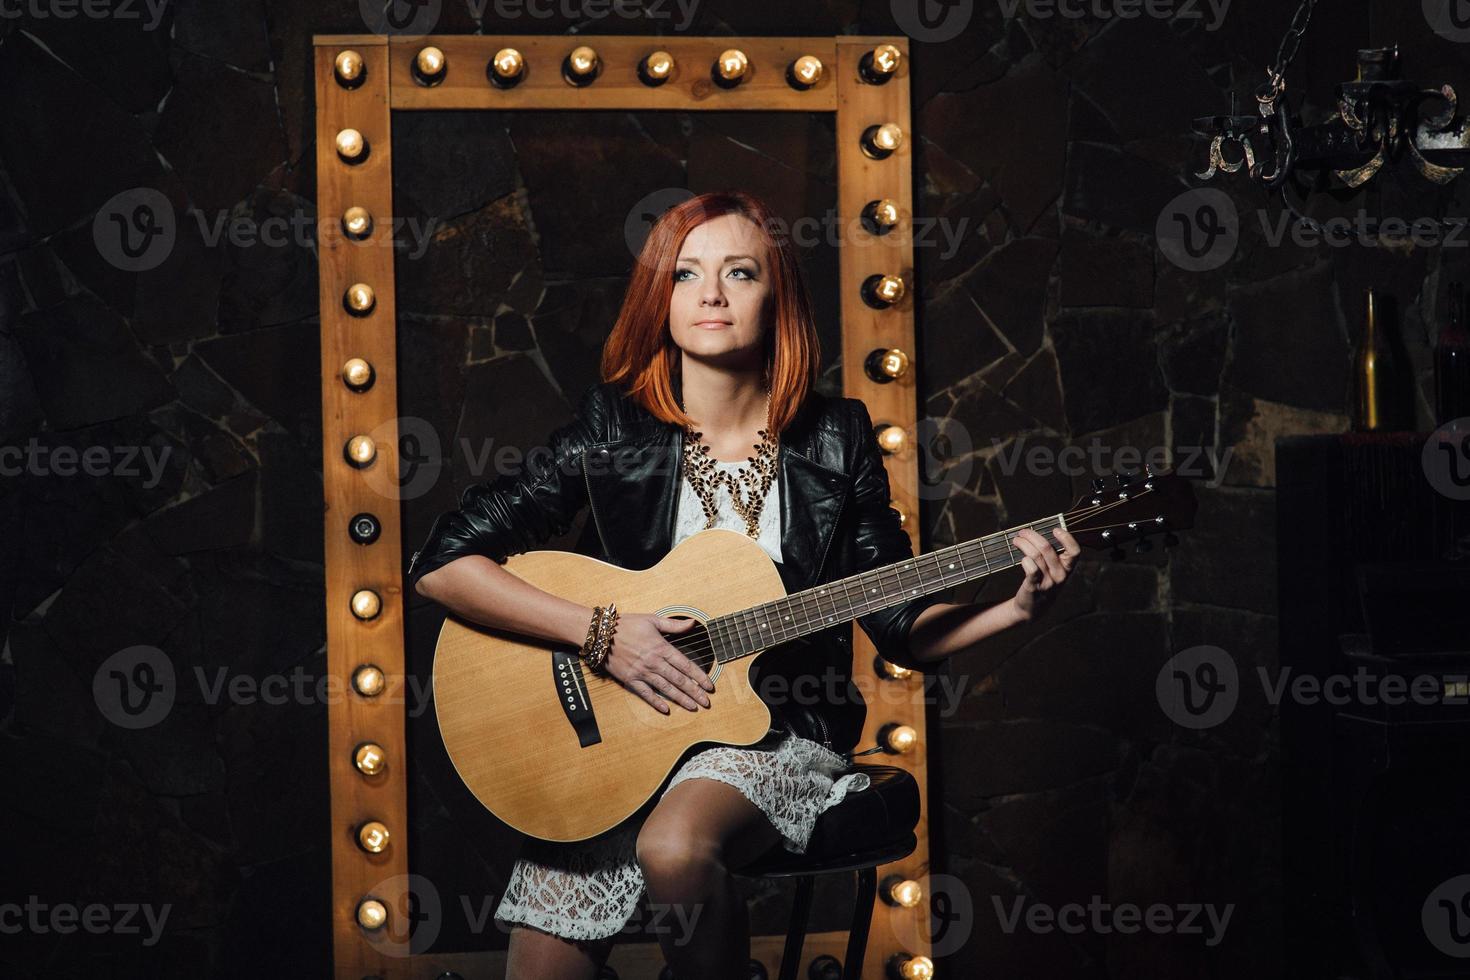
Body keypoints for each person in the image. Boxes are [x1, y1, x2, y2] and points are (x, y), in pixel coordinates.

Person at [407, 190, 1080, 980]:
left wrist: (1016, 606)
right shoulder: (613, 430)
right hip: (620, 733)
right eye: (686, 274)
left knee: (673, 841)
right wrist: (601, 632)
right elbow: (444, 566)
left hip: (774, 732)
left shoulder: (837, 438)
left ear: (778, 295)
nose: (712, 294)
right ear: (661, 300)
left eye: (739, 272)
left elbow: (900, 620)